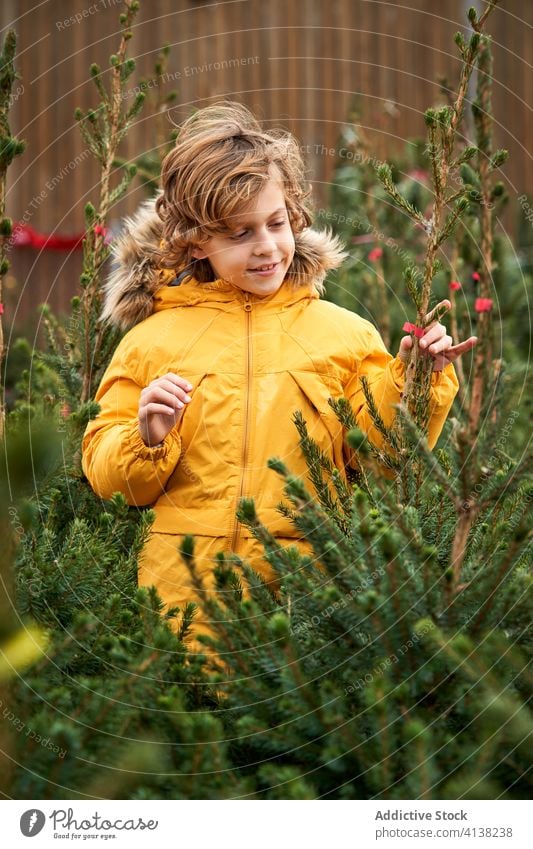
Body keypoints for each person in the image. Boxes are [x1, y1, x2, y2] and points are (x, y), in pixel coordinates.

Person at [81, 101, 476, 644]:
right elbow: (109, 478)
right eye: (241, 234)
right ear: (197, 241)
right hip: (182, 611)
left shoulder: (343, 334)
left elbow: (383, 456)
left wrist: (417, 379)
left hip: (307, 604)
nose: (267, 247)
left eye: (276, 223)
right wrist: (144, 438)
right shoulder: (149, 342)